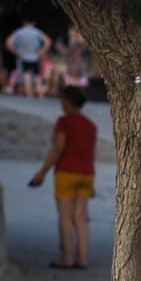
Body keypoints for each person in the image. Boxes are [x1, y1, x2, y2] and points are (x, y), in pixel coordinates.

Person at [29, 86, 97, 269]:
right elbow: (92, 153)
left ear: (67, 100)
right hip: (87, 173)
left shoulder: (64, 122)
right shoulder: (91, 125)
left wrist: (41, 173)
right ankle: (82, 258)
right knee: (81, 217)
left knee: (65, 216)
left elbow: (58, 148)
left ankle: (67, 257)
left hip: (67, 172)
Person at [5, 18, 52, 98]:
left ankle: (29, 95)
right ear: (33, 23)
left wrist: (15, 51)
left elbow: (9, 41)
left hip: (24, 56)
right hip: (35, 56)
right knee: (37, 76)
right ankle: (41, 95)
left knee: (26, 76)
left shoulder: (19, 31)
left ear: (24, 23)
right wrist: (42, 51)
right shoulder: (37, 31)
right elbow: (48, 41)